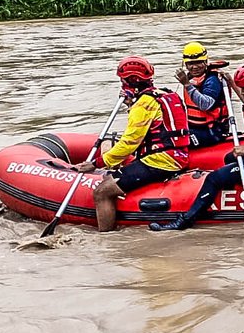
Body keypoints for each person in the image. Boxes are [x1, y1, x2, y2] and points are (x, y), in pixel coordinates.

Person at [150, 63, 244, 231]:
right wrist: (230, 81)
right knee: (229, 158)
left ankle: (185, 221)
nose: (243, 91)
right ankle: (228, 193)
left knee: (214, 178)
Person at [73, 56, 189, 232]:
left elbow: (129, 143)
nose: (122, 84)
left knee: (102, 191)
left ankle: (106, 238)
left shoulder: (143, 104)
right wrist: (131, 102)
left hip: (161, 160)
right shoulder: (166, 94)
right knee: (113, 174)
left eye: (123, 80)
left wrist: (96, 163)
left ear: (132, 81)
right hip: (177, 154)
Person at [176, 40, 229, 148]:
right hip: (195, 127)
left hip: (212, 131)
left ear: (205, 62)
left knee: (175, 141)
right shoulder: (191, 78)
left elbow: (205, 105)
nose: (194, 67)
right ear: (185, 64)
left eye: (198, 62)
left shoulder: (212, 80)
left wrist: (187, 85)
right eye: (190, 64)